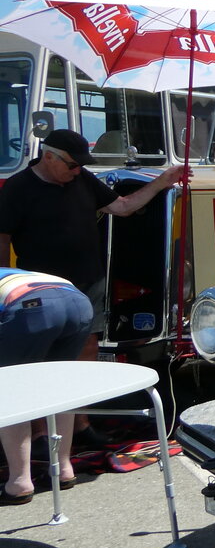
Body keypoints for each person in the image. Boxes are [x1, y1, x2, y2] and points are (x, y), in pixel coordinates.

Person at [0, 129, 186, 449]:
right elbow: (1, 239)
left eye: (80, 166)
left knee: (85, 355)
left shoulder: (82, 179)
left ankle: (81, 425)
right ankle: (36, 431)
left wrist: (163, 181)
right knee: (39, 361)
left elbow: (124, 206)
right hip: (41, 292)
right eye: (72, 165)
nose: (76, 171)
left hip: (87, 285)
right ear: (48, 157)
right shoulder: (18, 188)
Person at [0, 268, 93, 503]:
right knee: (60, 386)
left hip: (30, 306)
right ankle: (63, 469)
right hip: (77, 302)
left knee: (10, 389)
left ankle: (19, 482)